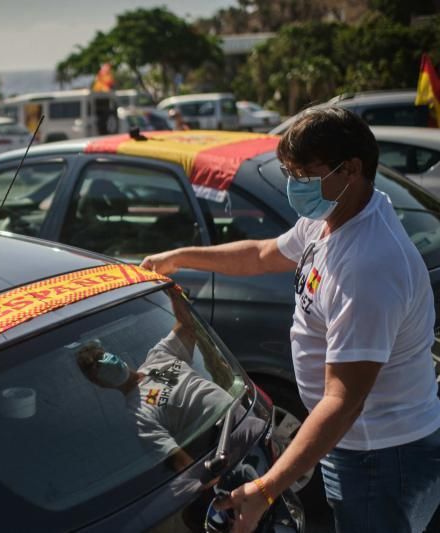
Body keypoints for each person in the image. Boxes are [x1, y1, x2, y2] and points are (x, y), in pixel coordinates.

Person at [141, 107, 440, 533]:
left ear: (351, 169)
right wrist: (180, 257)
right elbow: (263, 255)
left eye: (303, 174)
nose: (293, 185)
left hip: (380, 454)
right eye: (289, 172)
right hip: (357, 445)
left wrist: (265, 490)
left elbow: (343, 401)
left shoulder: (368, 266)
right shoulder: (333, 218)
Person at [76, 288, 234, 472]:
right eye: (97, 366)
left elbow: (186, 327)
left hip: (241, 412)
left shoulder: (158, 356)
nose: (104, 362)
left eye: (101, 356)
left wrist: (174, 292)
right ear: (99, 383)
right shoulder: (138, 415)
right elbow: (180, 461)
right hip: (223, 442)